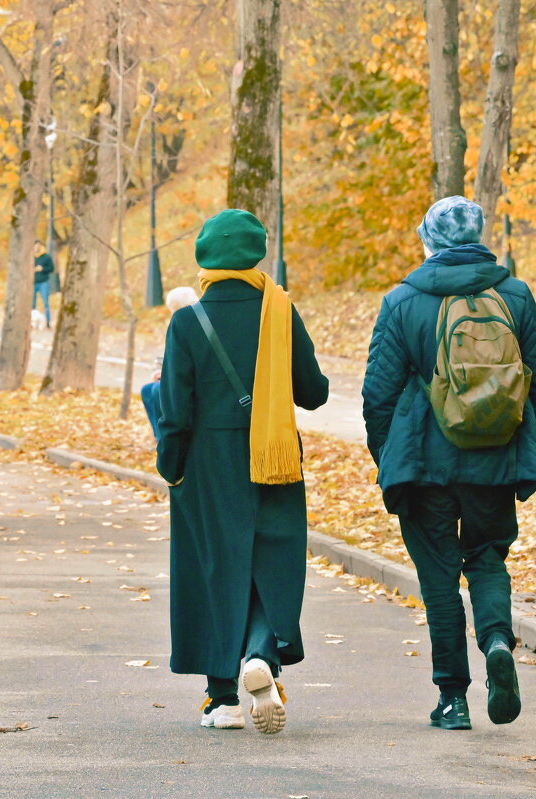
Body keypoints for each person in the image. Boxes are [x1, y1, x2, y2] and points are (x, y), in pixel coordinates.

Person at [361, 196, 536, 731]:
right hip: (493, 460)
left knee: (439, 581)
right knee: (488, 560)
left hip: (424, 463)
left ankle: (453, 699)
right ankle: (496, 642)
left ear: (429, 238)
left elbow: (378, 394)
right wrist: (518, 444)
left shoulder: (403, 300)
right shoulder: (514, 294)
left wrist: (388, 456)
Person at [156, 210, 329, 734]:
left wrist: (172, 467)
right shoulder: (280, 310)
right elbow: (314, 393)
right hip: (274, 459)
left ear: (205, 257)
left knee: (216, 567)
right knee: (269, 562)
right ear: (257, 254)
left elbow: (174, 410)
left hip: (208, 464)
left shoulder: (187, 321)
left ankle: (223, 698)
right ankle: (260, 653)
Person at [140, 286, 199, 437]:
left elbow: (188, 364)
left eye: (174, 309)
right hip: (183, 376)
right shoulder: (184, 323)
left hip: (194, 381)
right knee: (148, 390)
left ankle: (166, 438)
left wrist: (166, 375)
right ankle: (160, 438)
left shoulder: (192, 324)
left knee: (157, 390)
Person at [32, 240, 55, 329]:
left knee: (45, 303)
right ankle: (32, 323)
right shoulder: (31, 256)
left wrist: (42, 269)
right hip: (33, 283)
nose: (37, 247)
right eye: (35, 246)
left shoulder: (46, 257)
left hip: (43, 282)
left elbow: (52, 268)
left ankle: (48, 322)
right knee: (32, 304)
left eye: (38, 246)